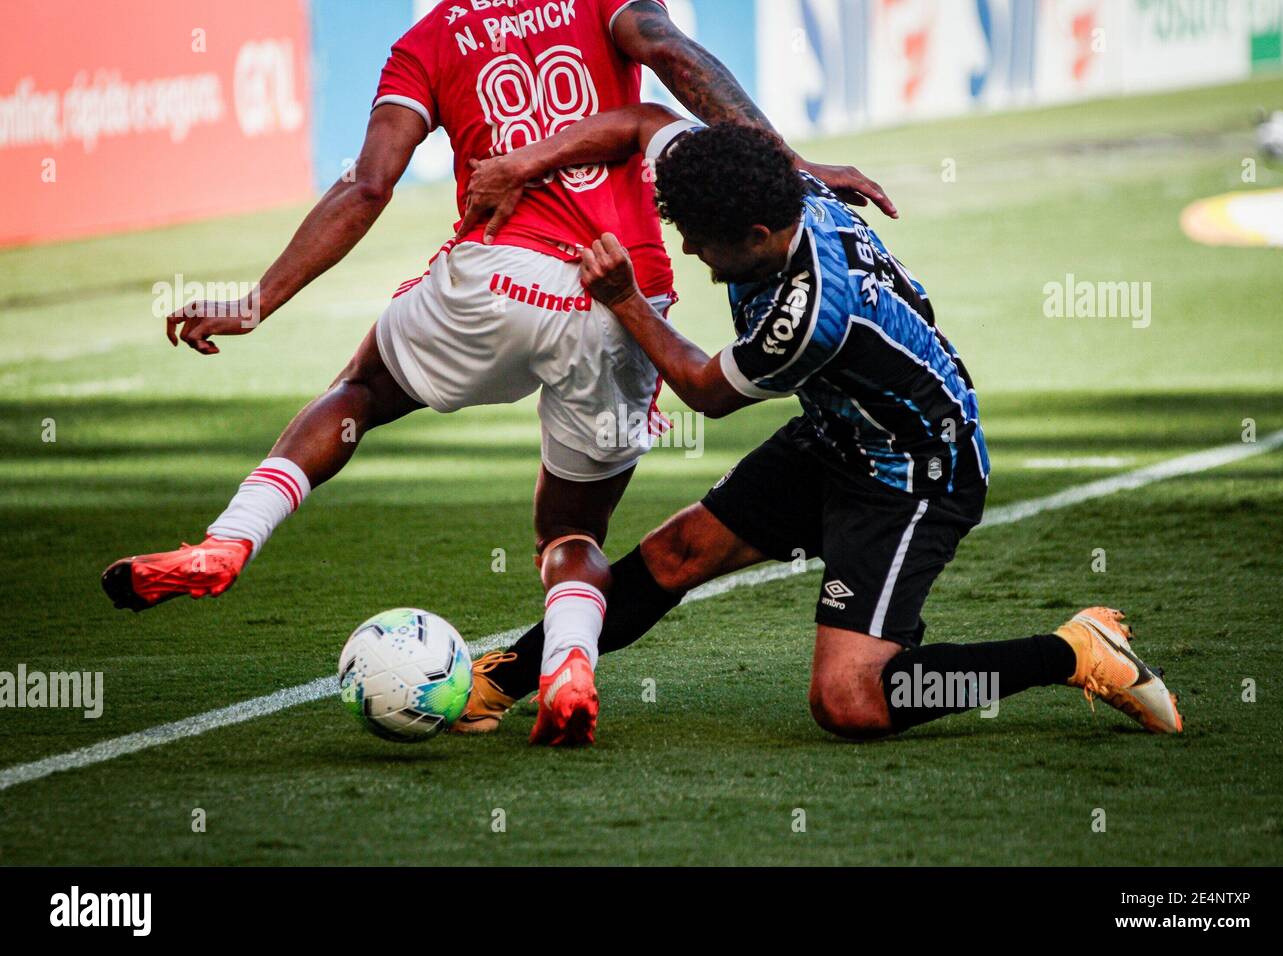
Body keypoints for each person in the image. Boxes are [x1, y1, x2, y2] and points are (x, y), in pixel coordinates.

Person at [100, 1, 896, 747]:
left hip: (493, 282)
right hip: (618, 295)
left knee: (360, 393)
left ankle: (229, 541)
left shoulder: (430, 38)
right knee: (573, 531)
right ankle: (567, 669)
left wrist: (257, 301)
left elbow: (368, 184)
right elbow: (670, 59)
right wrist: (790, 164)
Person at [450, 108, 1184, 740]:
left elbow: (705, 391)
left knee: (850, 701)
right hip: (839, 436)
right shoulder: (769, 184)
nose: (695, 256)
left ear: (761, 235)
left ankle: (1072, 651)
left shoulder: (810, 316)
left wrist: (625, 299)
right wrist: (522, 163)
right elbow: (645, 120)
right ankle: (502, 682)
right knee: (677, 552)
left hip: (913, 473)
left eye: (706, 244)